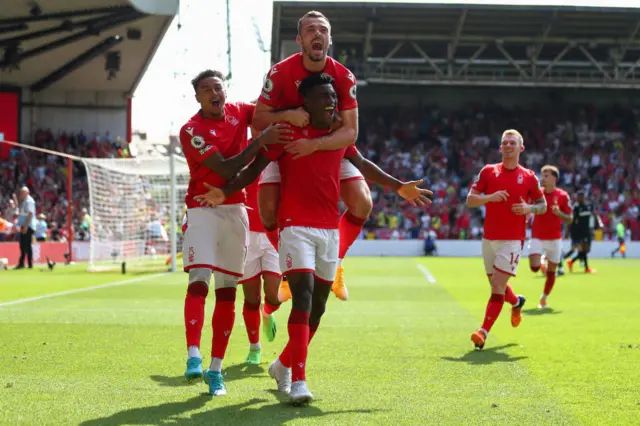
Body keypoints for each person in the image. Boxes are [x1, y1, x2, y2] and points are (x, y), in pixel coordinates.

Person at [195, 73, 431, 404]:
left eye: (333, 97)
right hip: (295, 228)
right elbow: (253, 169)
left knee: (318, 308)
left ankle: (282, 365)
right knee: (304, 299)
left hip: (329, 231)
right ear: (306, 103)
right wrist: (225, 191)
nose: (332, 102)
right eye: (324, 97)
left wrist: (397, 186)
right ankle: (299, 381)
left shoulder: (339, 137)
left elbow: (363, 163)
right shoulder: (287, 135)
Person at [178, 69, 292, 396]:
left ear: (225, 90)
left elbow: (269, 112)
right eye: (206, 89)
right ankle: (193, 355)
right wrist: (260, 140)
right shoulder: (191, 130)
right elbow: (227, 168)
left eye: (218, 87)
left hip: (237, 212)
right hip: (202, 210)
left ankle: (215, 369)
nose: (214, 92)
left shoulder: (240, 111)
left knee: (228, 291)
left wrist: (293, 103)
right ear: (197, 97)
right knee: (199, 279)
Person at [252, 10, 370, 302]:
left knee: (362, 203)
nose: (317, 34)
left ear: (329, 39)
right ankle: (289, 270)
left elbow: (350, 132)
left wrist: (316, 145)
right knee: (267, 210)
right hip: (288, 148)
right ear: (299, 39)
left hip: (326, 148)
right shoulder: (280, 73)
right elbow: (259, 119)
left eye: (323, 30)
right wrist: (290, 114)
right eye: (310, 30)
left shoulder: (344, 76)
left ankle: (337, 262)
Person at [466, 130, 547, 349]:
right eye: (504, 143)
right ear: (500, 148)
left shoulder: (529, 177)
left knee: (497, 286)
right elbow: (470, 200)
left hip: (512, 240)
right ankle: (517, 301)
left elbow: (543, 206)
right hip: (489, 238)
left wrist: (529, 207)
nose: (508, 146)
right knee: (496, 285)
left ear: (521, 148)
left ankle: (482, 332)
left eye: (512, 143)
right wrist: (490, 197)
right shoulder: (488, 172)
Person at [238, 175, 282, 366]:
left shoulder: (279, 151)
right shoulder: (244, 150)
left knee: (274, 296)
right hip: (246, 234)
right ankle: (254, 347)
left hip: (273, 233)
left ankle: (267, 311)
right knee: (251, 298)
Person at [527, 165, 572, 309]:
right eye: (542, 175)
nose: (543, 178)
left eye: (546, 175)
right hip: (537, 236)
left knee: (552, 272)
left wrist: (559, 214)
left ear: (554, 179)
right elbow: (527, 207)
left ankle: (544, 298)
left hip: (554, 238)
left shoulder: (563, 196)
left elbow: (570, 218)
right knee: (534, 268)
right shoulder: (536, 194)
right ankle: (540, 260)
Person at [566, 191, 602, 274]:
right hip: (580, 232)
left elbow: (595, 214)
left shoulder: (589, 206)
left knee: (586, 250)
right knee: (583, 249)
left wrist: (599, 223)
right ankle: (585, 268)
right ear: (577, 198)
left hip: (588, 230)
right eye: (579, 197)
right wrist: (569, 232)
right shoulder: (576, 207)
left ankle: (571, 261)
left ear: (584, 197)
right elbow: (571, 220)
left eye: (582, 197)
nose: (580, 198)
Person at [15, 187, 36, 269]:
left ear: (27, 193)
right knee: (23, 245)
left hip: (28, 226)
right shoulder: (24, 202)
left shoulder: (29, 201)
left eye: (22, 193)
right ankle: (22, 263)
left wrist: (26, 226)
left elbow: (30, 213)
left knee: (27, 245)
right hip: (24, 226)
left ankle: (29, 264)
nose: (20, 194)